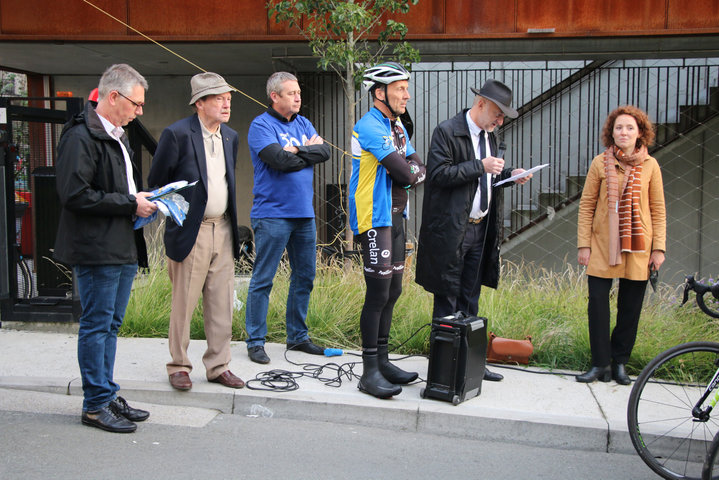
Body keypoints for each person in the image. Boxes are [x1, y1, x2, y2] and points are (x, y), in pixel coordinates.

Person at [54, 63, 156, 433]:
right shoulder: (81, 136)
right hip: (96, 248)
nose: (139, 111)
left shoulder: (117, 135)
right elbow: (74, 194)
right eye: (136, 103)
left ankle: (107, 393)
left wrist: (139, 199)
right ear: (113, 97)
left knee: (111, 325)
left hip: (122, 244)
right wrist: (131, 204)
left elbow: (120, 189)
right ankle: (95, 405)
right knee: (97, 326)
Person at [415, 79, 531, 383]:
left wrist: (509, 174)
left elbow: (485, 178)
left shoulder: (490, 135)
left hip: (480, 229)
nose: (500, 120)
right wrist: (480, 166)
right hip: (452, 230)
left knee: (470, 297)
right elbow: (438, 175)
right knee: (447, 298)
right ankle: (444, 368)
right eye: (498, 113)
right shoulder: (447, 130)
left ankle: (470, 363)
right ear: (480, 103)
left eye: (504, 116)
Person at [148, 72, 245, 391]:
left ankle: (218, 366)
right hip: (192, 230)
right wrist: (178, 213)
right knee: (184, 303)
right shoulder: (177, 134)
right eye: (219, 98)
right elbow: (158, 182)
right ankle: (178, 365)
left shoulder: (230, 135)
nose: (226, 102)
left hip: (224, 228)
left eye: (228, 97)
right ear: (200, 103)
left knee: (221, 304)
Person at [349, 62, 426, 398]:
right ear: (380, 92)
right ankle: (369, 372)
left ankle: (383, 361)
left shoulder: (397, 128)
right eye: (400, 88)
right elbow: (408, 174)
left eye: (406, 88)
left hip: (397, 217)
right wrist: (410, 170)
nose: (406, 94)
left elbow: (419, 167)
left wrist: (411, 170)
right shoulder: (369, 126)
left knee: (393, 291)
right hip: (374, 218)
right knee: (378, 294)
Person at [245, 72, 331, 364]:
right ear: (275, 96)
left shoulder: (303, 123)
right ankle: (256, 341)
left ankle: (297, 338)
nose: (298, 97)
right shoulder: (261, 125)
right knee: (263, 279)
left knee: (304, 276)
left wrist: (298, 149)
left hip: (304, 215)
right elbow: (278, 161)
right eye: (291, 93)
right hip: (272, 215)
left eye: (298, 93)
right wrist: (307, 152)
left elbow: (325, 152)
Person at [576, 105, 666, 385]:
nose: (623, 132)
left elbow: (658, 208)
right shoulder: (599, 163)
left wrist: (659, 248)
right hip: (602, 243)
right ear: (611, 133)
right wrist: (584, 244)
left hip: (639, 247)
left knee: (630, 307)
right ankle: (599, 363)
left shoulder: (651, 166)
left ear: (640, 133)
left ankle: (619, 363)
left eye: (629, 127)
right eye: (618, 128)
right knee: (598, 303)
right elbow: (587, 204)